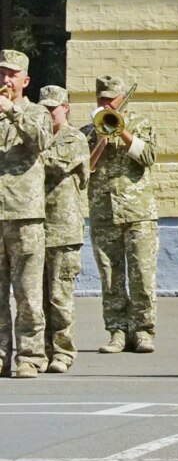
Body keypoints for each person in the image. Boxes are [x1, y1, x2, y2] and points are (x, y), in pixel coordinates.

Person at [86, 75, 159, 356]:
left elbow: (149, 157)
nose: (106, 103)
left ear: (122, 99)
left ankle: (143, 331)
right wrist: (100, 142)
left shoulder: (142, 124)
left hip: (139, 212)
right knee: (110, 276)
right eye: (101, 99)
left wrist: (123, 133)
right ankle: (117, 331)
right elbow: (83, 170)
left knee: (142, 274)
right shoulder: (88, 131)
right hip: (104, 213)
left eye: (110, 99)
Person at [0, 50, 52, 378]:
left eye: (12, 74)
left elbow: (42, 140)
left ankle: (31, 356)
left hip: (25, 214)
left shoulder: (36, 113)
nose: (5, 79)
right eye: (1, 73)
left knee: (28, 291)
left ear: (25, 80)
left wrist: (13, 111)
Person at [39, 86, 88, 374]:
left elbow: (53, 166)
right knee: (36, 296)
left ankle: (62, 351)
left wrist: (31, 147)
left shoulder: (74, 138)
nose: (47, 113)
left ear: (65, 108)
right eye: (43, 108)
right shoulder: (37, 135)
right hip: (35, 226)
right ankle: (40, 350)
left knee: (59, 296)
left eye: (52, 108)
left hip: (64, 229)